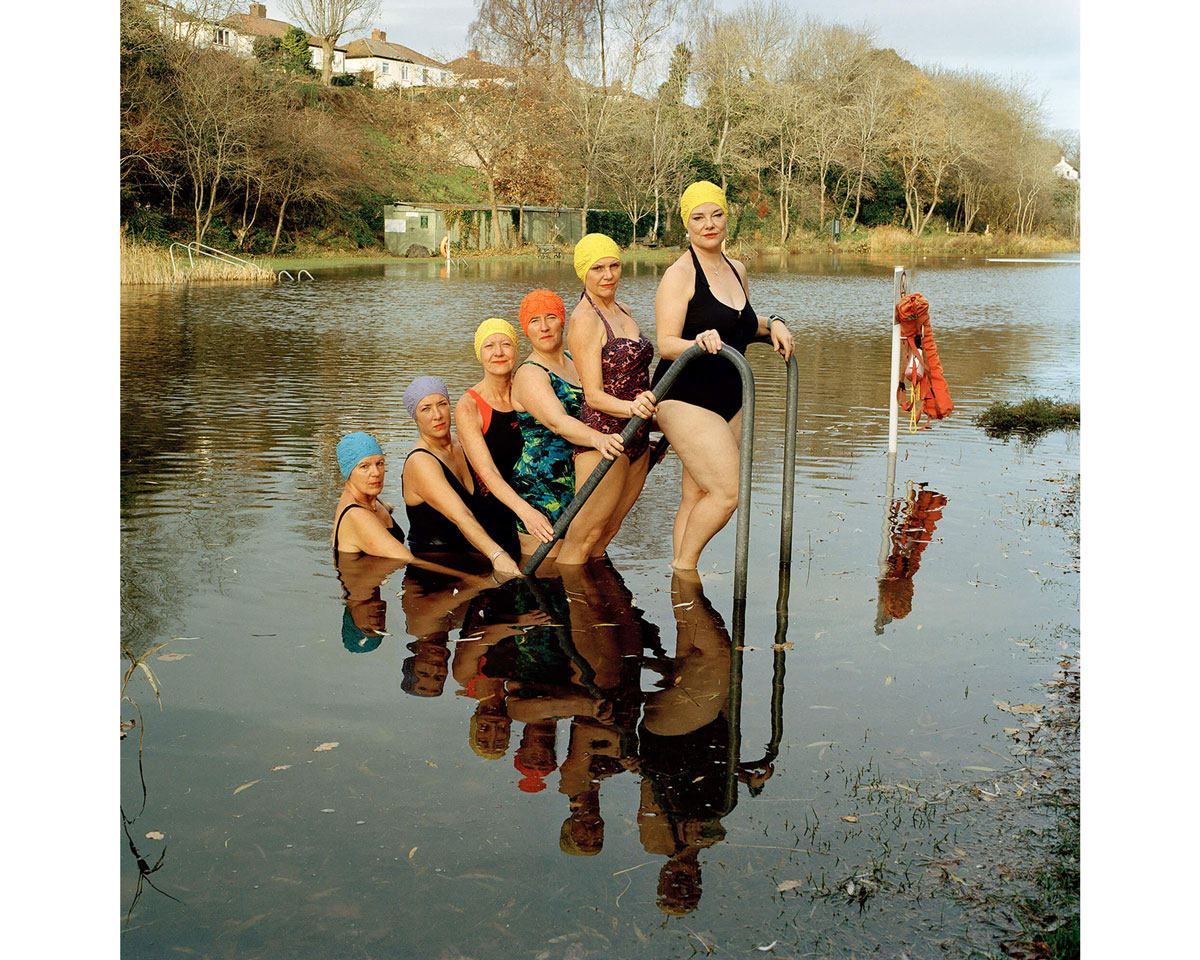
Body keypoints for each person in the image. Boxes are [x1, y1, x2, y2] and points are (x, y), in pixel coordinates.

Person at [652, 181, 795, 570]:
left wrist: (774, 323)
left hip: (731, 395)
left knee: (697, 492)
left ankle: (680, 580)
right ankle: (685, 569)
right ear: (687, 225)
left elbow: (739, 325)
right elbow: (665, 342)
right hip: (684, 394)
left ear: (727, 219)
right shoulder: (679, 275)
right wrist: (696, 341)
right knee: (729, 492)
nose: (708, 225)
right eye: (698, 218)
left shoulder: (737, 270)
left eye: (716, 215)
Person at [563, 234, 658, 564]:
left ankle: (599, 606)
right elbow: (593, 395)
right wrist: (633, 408)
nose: (608, 275)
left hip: (638, 435)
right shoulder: (584, 320)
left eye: (614, 266)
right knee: (584, 535)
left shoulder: (624, 310)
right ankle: (565, 605)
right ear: (584, 274)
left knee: (609, 530)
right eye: (598, 268)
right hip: (605, 436)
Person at [510, 289, 624, 563]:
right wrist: (599, 440)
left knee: (584, 556)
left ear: (563, 321)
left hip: (580, 475)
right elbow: (557, 422)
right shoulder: (529, 373)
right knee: (547, 568)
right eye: (535, 321)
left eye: (551, 317)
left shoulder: (576, 360)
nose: (545, 327)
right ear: (526, 330)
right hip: (543, 487)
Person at [455, 318, 558, 559]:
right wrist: (526, 513)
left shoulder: (528, 391)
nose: (499, 353)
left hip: (540, 501)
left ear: (516, 350)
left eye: (506, 344)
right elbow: (487, 472)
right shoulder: (469, 406)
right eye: (489, 346)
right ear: (479, 354)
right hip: (496, 512)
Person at [400, 375, 522, 577]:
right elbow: (461, 516)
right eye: (426, 409)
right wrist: (497, 555)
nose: (437, 415)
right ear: (416, 416)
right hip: (439, 562)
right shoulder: (420, 462)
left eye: (442, 404)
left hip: (472, 551)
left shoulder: (461, 443)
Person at [331, 431, 417, 562]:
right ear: (348, 472)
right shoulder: (357, 515)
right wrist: (458, 576)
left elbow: (384, 508)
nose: (376, 473)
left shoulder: (372, 500)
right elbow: (410, 560)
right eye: (364, 466)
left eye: (380, 463)